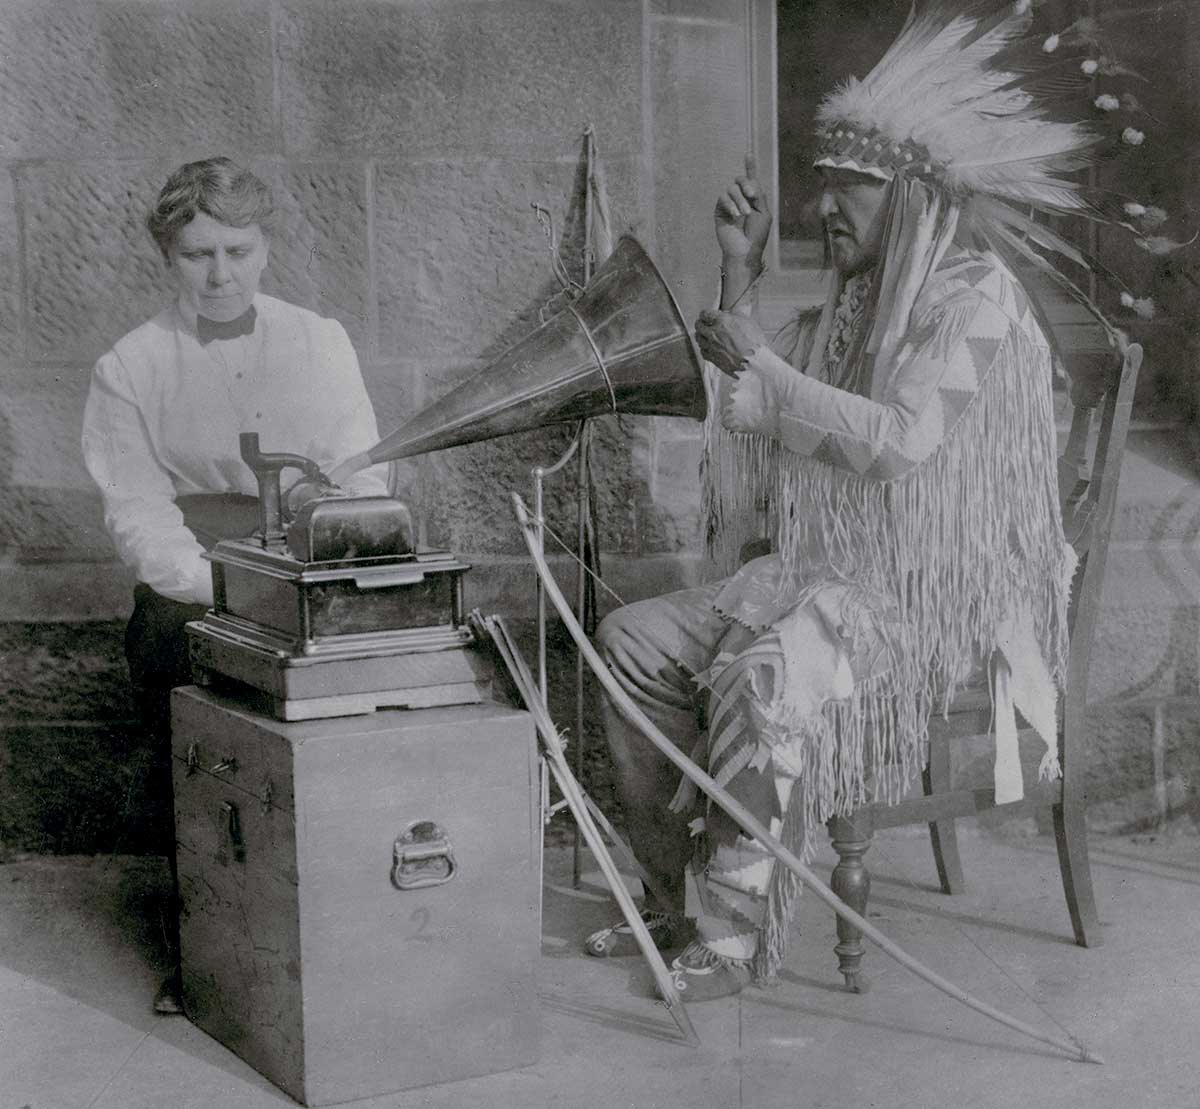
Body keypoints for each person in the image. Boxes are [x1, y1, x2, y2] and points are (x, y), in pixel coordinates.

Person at [586, 2, 1138, 1000]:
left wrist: (769, 372)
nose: (824, 208)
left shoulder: (975, 303)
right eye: (824, 188)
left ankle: (735, 933)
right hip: (815, 577)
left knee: (764, 667)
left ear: (917, 198)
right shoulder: (852, 296)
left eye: (852, 190)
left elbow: (900, 441)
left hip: (929, 602)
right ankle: (677, 898)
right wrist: (740, 274)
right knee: (626, 640)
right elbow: (753, 404)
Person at [81, 156, 389, 1013]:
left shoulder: (318, 339)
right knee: (205, 768)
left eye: (238, 251)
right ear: (166, 257)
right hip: (192, 590)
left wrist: (316, 560)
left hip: (307, 570)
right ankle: (212, 960)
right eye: (198, 255)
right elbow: (138, 511)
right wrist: (225, 591)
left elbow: (364, 469)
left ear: (266, 248)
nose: (221, 275)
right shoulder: (131, 366)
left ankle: (343, 945)